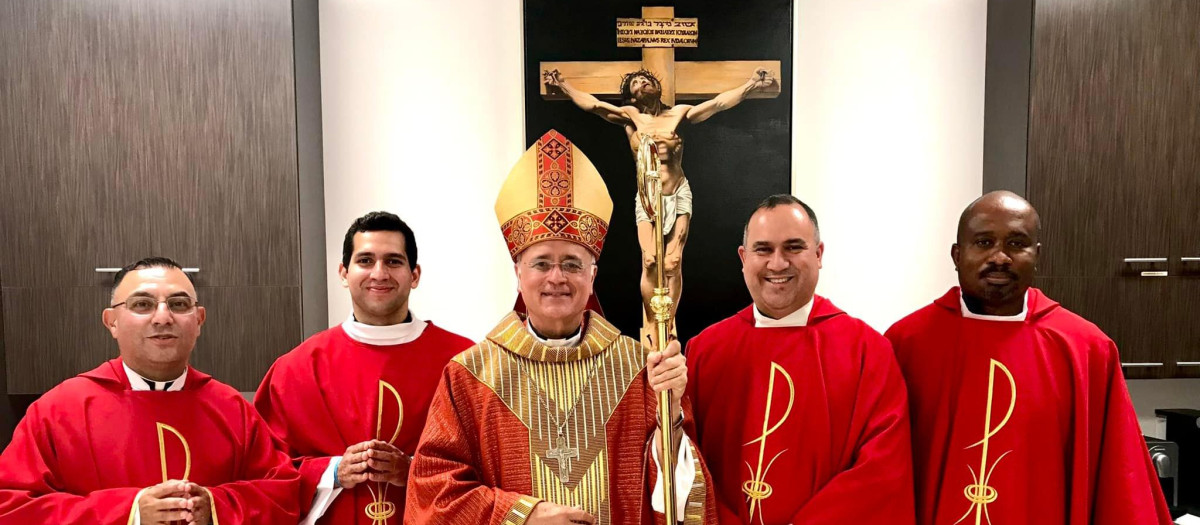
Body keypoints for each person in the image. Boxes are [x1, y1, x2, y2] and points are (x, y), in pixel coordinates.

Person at [405, 130, 716, 524]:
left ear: (592, 275)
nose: (557, 277)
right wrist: (522, 515)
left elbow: (676, 496)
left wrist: (669, 414)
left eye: (572, 264)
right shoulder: (471, 376)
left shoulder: (640, 370)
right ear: (518, 273)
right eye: (541, 263)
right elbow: (433, 491)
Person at [885, 191, 1173, 524]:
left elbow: (1119, 481)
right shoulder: (906, 345)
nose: (1000, 257)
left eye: (1016, 244)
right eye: (984, 242)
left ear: (1037, 255)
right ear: (957, 254)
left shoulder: (1086, 350)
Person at [0, 257, 300, 524]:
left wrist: (215, 507)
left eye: (179, 304)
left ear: (199, 320)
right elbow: (11, 508)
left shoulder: (232, 408)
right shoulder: (59, 410)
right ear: (112, 322)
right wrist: (129, 513)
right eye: (142, 304)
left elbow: (282, 495)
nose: (163, 317)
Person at [684, 194, 916, 524]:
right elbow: (686, 463)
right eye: (763, 250)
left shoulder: (866, 350)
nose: (777, 263)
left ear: (819, 254)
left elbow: (882, 469)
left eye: (793, 247)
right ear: (743, 258)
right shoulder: (705, 350)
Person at [254, 212, 473, 525]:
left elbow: (493, 463)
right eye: (366, 261)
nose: (379, 273)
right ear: (344, 273)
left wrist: (414, 469)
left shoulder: (462, 361)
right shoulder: (296, 370)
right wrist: (333, 471)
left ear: (414, 275)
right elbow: (264, 472)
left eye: (393, 261)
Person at [544, 67, 777, 341]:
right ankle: (654, 325)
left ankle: (667, 325)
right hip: (648, 196)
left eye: (646, 79)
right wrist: (563, 85)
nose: (642, 83)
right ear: (631, 96)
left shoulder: (679, 114)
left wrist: (751, 84)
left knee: (672, 262)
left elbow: (717, 104)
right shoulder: (631, 117)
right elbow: (594, 105)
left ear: (656, 86)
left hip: (677, 191)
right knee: (650, 260)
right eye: (636, 82)